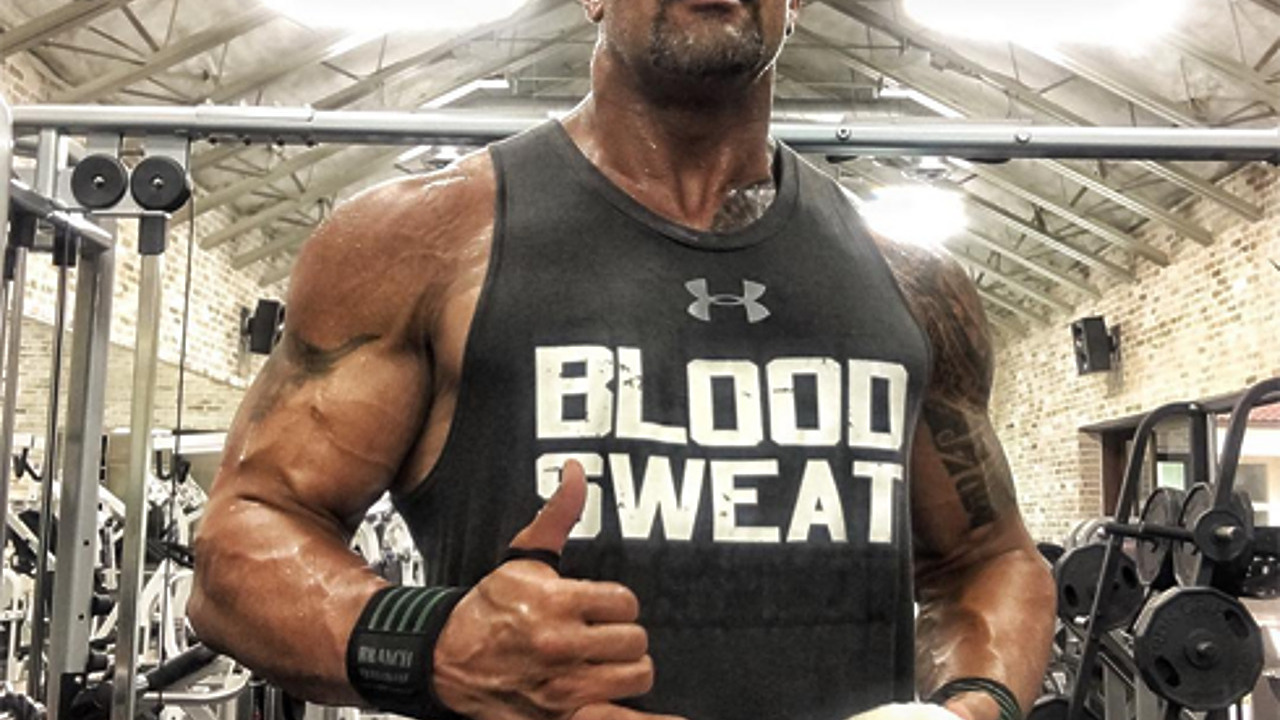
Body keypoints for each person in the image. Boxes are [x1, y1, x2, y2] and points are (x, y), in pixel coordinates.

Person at [190, 1, 1057, 719]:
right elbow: (241, 543)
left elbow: (989, 560)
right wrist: (434, 643)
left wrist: (968, 710)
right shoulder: (418, 242)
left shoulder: (911, 284)